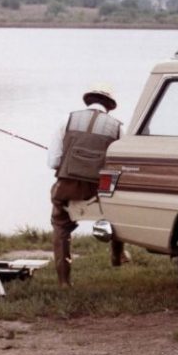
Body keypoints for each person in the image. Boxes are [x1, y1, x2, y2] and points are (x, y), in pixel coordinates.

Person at [47, 85, 127, 286]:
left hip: (68, 188)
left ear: (88, 101)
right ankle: (117, 257)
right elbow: (120, 165)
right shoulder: (118, 127)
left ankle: (64, 281)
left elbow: (53, 162)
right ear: (109, 106)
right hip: (100, 191)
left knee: (60, 225)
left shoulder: (67, 120)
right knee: (118, 211)